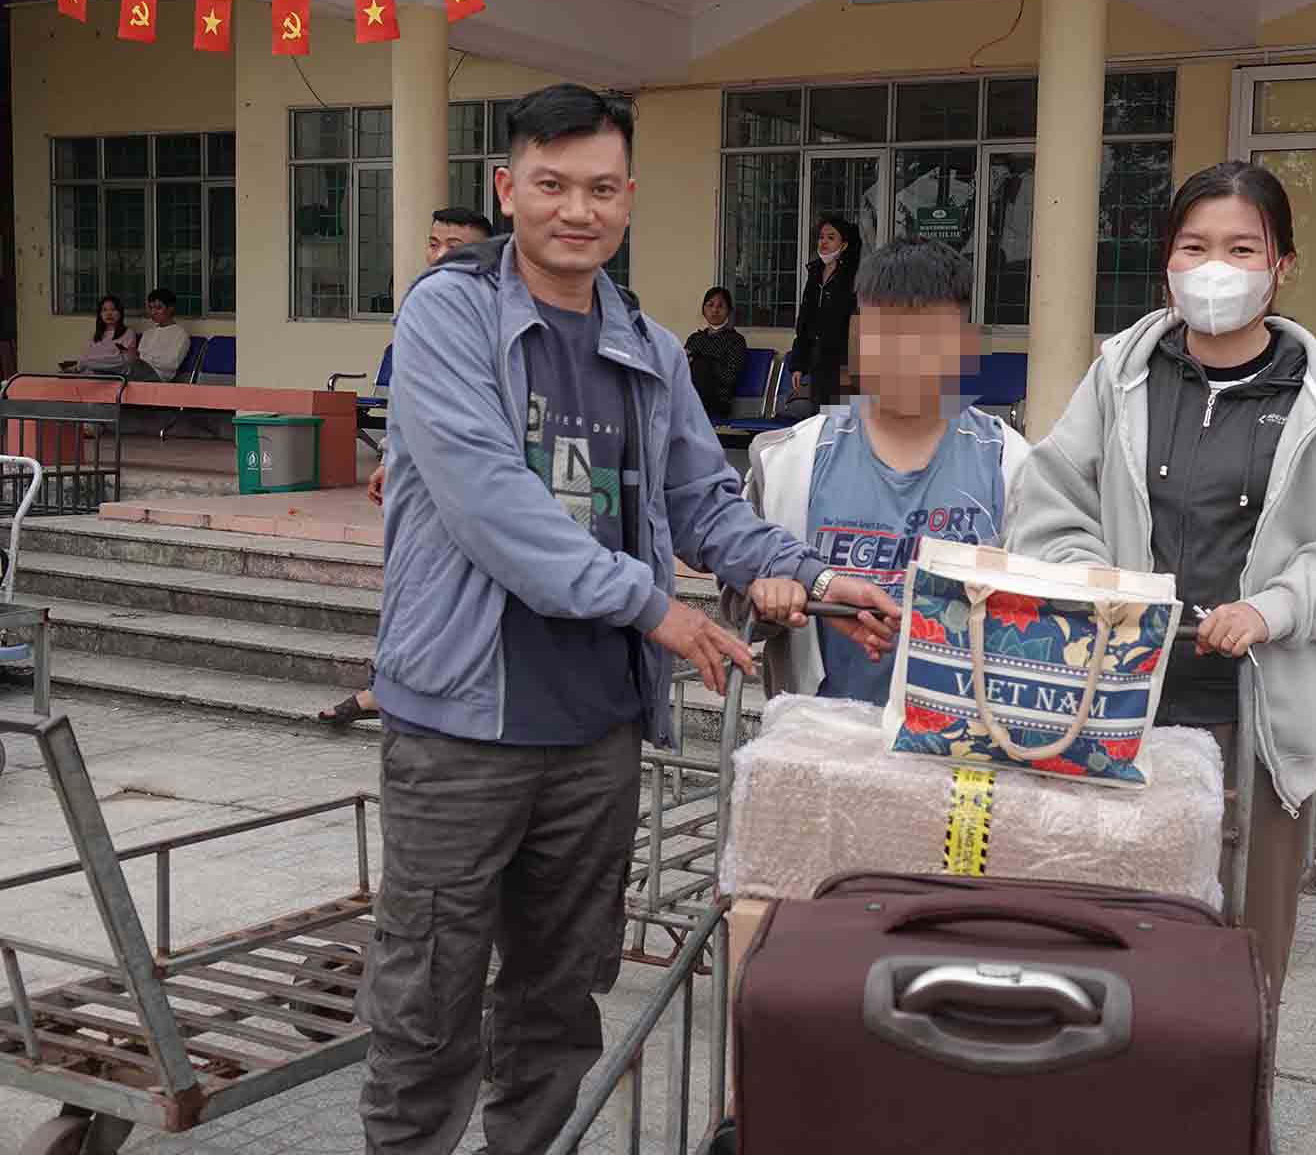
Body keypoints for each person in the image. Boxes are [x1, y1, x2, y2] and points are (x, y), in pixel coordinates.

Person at [359, 84, 897, 1155]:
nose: (576, 209)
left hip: (595, 726)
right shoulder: (446, 313)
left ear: (629, 199)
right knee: (427, 997)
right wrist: (655, 609)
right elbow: (489, 503)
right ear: (509, 189)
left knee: (559, 1003)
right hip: (464, 722)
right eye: (551, 185)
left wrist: (815, 576)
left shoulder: (648, 346)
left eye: (601, 188)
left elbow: (704, 500)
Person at [1004, 160, 1316, 1024]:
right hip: (1118, 705)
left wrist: (1275, 607)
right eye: (1194, 246)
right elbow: (1047, 503)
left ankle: (1233, 1108)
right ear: (1167, 260)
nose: (1214, 268)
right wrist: (1104, 578)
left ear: (1282, 265)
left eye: (1239, 247)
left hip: (1259, 720)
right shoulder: (1121, 374)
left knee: (1244, 958)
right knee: (1114, 937)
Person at [731, 236, 1029, 703]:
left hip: (962, 751)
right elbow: (738, 598)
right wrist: (767, 595)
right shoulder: (789, 460)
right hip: (820, 746)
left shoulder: (1012, 465)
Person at [323, 207, 496, 727]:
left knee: (444, 589)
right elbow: (407, 394)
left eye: (455, 245)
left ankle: (403, 694)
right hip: (416, 479)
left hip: (463, 480)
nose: (440, 255)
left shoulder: (492, 313)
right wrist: (392, 457)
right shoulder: (421, 307)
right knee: (405, 582)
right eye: (434, 242)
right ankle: (390, 687)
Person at [788, 214, 861, 410]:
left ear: (844, 245)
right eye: (821, 237)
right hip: (816, 361)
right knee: (818, 420)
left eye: (831, 237)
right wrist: (798, 365)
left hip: (842, 363)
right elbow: (804, 323)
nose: (824, 242)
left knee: (839, 422)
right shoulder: (814, 274)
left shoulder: (853, 277)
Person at [684, 286, 748, 420]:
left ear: (729, 311)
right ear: (703, 310)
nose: (715, 310)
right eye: (710, 305)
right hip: (690, 395)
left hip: (718, 400)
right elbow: (681, 369)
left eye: (720, 306)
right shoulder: (695, 339)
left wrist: (703, 361)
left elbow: (729, 377)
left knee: (700, 365)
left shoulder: (736, 341)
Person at [65, 295, 139, 374]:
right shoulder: (96, 335)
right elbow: (88, 357)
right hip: (92, 374)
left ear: (120, 313)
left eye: (113, 310)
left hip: (114, 374)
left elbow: (127, 360)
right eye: (104, 310)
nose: (109, 314)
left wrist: (88, 363)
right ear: (100, 314)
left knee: (85, 363)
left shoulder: (129, 333)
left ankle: (78, 368)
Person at [134, 288, 190, 381]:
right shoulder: (148, 333)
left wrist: (143, 358)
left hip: (159, 377)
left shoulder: (180, 335)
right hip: (139, 372)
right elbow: (139, 357)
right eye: (151, 308)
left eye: (158, 308)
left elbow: (172, 364)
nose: (153, 312)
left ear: (170, 308)